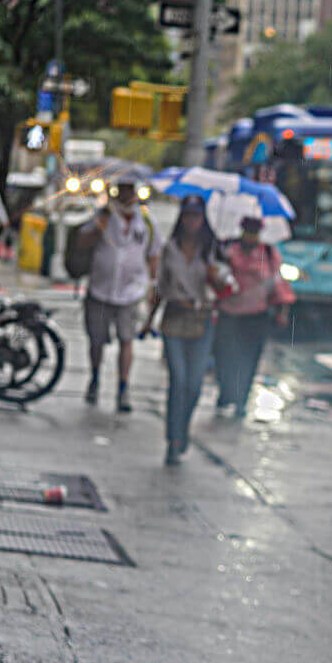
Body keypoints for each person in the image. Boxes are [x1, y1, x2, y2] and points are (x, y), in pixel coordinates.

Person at [155, 197, 231, 465]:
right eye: (187, 216)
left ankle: (183, 429)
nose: (191, 222)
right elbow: (160, 287)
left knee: (195, 384)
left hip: (202, 320)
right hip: (175, 318)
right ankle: (173, 438)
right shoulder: (170, 249)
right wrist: (149, 319)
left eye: (196, 217)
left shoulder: (211, 251)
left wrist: (216, 275)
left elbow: (228, 287)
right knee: (178, 378)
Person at [77, 181, 161, 413]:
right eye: (121, 190)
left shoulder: (146, 222)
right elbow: (82, 242)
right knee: (96, 339)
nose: (125, 196)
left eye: (129, 191)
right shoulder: (103, 215)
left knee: (127, 339)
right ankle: (94, 378)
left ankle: (123, 387)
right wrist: (98, 227)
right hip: (100, 289)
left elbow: (153, 254)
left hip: (130, 291)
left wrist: (153, 286)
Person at [213, 216, 295, 419]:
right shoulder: (227, 251)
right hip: (229, 314)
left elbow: (278, 283)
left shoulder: (268, 254)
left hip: (256, 316)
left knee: (249, 360)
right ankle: (226, 392)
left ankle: (242, 399)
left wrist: (282, 311)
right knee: (224, 356)